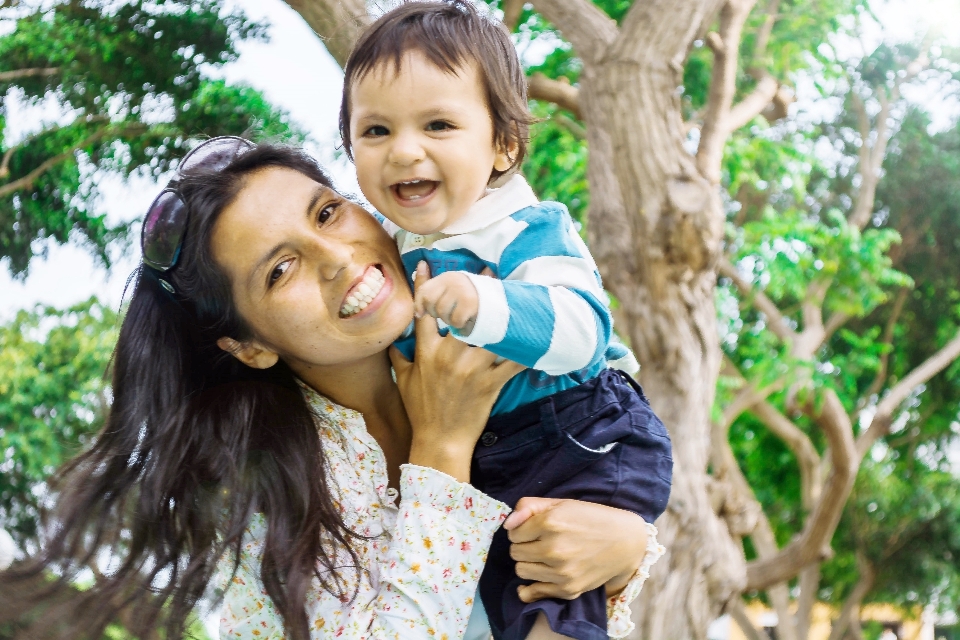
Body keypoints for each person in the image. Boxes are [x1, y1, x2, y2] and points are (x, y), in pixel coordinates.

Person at [0, 139, 659, 640]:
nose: (339, 257)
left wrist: (626, 547)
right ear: (250, 345)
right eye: (281, 268)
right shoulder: (278, 518)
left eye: (327, 212)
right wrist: (443, 445)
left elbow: (611, 437)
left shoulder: (481, 318)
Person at [338, 3, 673, 639]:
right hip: (491, 461)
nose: (405, 151)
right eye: (376, 131)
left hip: (576, 433)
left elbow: (582, 332)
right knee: (504, 606)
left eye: (438, 124)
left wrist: (486, 305)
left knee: (553, 602)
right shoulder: (383, 249)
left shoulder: (525, 228)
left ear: (502, 146)